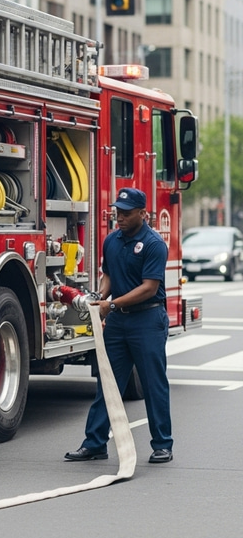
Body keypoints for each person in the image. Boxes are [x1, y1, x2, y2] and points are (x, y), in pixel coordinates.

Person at [65, 187, 173, 464]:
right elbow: (109, 275)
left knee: (153, 384)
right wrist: (100, 297)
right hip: (118, 322)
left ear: (142, 213)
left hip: (147, 320)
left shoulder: (153, 244)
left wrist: (110, 305)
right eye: (117, 212)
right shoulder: (112, 240)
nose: (120, 218)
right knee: (108, 384)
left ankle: (162, 444)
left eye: (126, 213)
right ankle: (95, 443)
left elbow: (149, 288)